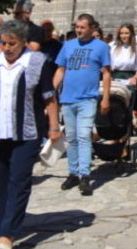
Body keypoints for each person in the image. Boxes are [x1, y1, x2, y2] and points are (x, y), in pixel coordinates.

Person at [0, 20, 61, 249]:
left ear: (24, 42)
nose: (7, 48)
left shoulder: (37, 61)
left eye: (12, 44)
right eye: (4, 43)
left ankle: (9, 233)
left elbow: (49, 96)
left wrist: (54, 127)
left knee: (18, 181)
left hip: (26, 132)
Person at [53, 13, 111, 196]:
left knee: (84, 135)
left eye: (82, 27)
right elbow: (61, 69)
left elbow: (107, 73)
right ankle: (73, 172)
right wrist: (50, 91)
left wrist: (106, 97)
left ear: (92, 28)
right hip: (68, 98)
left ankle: (85, 174)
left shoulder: (101, 47)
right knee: (71, 137)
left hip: (88, 98)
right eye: (77, 27)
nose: (78, 30)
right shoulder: (68, 45)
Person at [110, 23, 137, 102]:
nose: (124, 36)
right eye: (121, 33)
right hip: (116, 77)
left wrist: (135, 78)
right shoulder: (113, 48)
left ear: (131, 34)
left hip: (130, 78)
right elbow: (110, 64)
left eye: (126, 33)